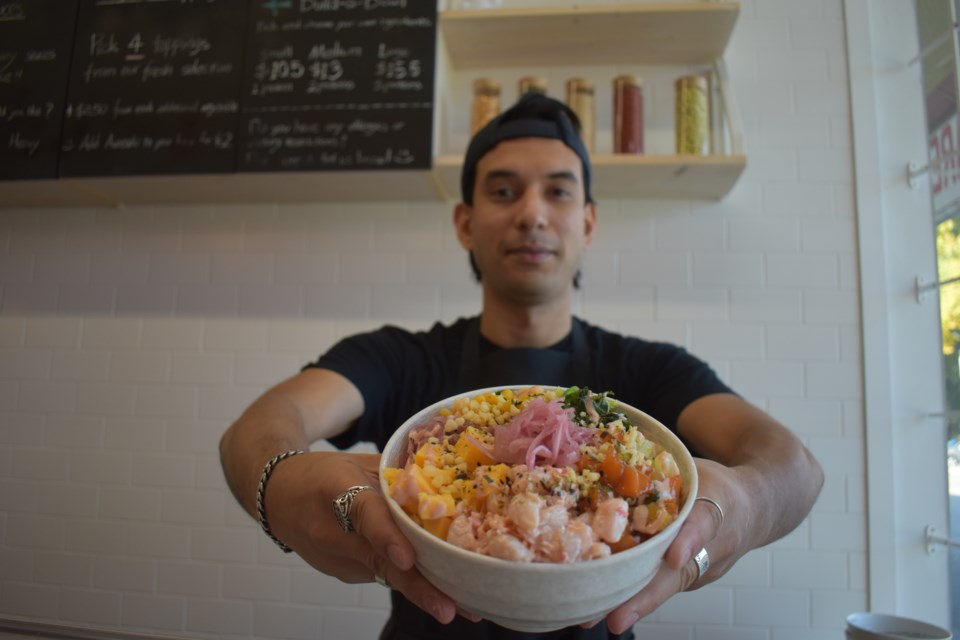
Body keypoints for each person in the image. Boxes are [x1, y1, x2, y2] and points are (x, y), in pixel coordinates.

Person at [219, 93, 824, 640]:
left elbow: (795, 467)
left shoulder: (652, 370)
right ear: (465, 222)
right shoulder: (398, 357)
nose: (532, 214)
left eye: (558, 191)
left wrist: (745, 503)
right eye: (503, 192)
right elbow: (259, 427)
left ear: (587, 222)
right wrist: (282, 486)